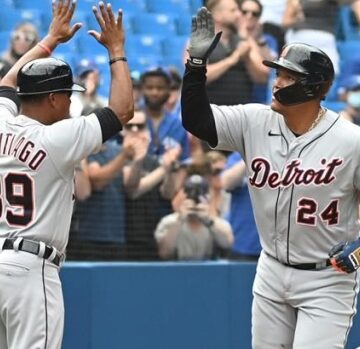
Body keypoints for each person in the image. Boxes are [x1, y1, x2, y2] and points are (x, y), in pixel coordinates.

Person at [181, 7, 360, 348]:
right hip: (272, 270)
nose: (276, 82)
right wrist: (195, 68)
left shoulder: (350, 141)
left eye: (287, 77)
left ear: (313, 87)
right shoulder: (255, 120)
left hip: (327, 279)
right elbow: (197, 121)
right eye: (278, 73)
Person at [0, 1, 133, 348]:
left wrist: (50, 39)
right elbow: (122, 110)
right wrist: (117, 50)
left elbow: (7, 82)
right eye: (68, 96)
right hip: (31, 267)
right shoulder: (58, 138)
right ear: (54, 98)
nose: (71, 104)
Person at [122, 109, 182, 260]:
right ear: (122, 130)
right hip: (124, 237)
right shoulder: (117, 157)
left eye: (140, 126)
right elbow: (132, 190)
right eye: (130, 126)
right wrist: (164, 168)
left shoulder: (154, 162)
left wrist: (170, 169)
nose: (135, 130)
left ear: (148, 131)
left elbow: (168, 193)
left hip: (151, 234)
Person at [154, 174, 234, 260]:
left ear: (208, 196)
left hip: (209, 271)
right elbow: (164, 253)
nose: (195, 199)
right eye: (190, 194)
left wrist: (208, 220)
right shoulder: (168, 222)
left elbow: (228, 244)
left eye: (200, 194)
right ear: (183, 195)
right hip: (178, 270)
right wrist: (180, 220)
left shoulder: (218, 224)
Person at [222, 152, 261, 260]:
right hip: (243, 242)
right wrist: (250, 155)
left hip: (277, 246)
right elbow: (226, 182)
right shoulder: (239, 155)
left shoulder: (285, 154)